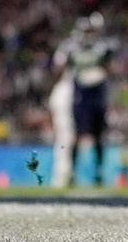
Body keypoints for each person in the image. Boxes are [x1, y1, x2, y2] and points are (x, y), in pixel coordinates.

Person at [47, 11, 116, 187]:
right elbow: (60, 68)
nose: (88, 34)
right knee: (77, 135)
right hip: (81, 94)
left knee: (98, 136)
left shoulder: (103, 46)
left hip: (98, 94)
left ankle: (98, 172)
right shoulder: (71, 47)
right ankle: (73, 172)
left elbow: (110, 68)